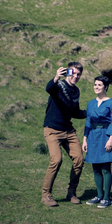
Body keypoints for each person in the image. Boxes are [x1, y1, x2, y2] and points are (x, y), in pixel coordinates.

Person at [41, 62, 86, 207]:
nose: (76, 76)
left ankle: (71, 193)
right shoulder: (58, 86)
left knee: (79, 159)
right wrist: (55, 77)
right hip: (52, 129)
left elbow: (75, 112)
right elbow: (49, 88)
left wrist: (91, 112)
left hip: (68, 131)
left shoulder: (76, 91)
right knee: (56, 160)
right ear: (68, 72)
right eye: (73, 73)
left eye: (78, 74)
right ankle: (46, 195)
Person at [83, 76, 112, 208]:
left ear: (106, 87)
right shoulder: (90, 103)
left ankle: (106, 198)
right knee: (95, 168)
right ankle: (98, 195)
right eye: (95, 84)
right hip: (93, 136)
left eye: (99, 85)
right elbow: (88, 122)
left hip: (105, 136)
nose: (96, 87)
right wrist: (84, 139)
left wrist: (111, 139)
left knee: (105, 167)